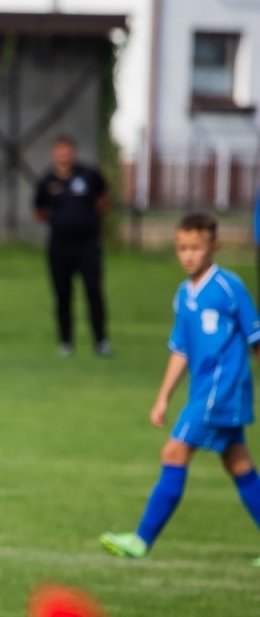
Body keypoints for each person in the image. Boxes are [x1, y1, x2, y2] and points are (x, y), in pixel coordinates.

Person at [101, 213, 260, 563]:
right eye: (182, 248)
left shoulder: (228, 287)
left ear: (213, 247)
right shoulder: (183, 295)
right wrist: (162, 398)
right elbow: (181, 350)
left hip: (221, 390)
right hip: (203, 389)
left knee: (173, 453)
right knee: (238, 464)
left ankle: (141, 541)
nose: (188, 255)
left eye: (196, 248)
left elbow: (256, 338)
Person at [33, 134, 111, 358]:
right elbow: (38, 210)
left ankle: (101, 342)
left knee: (93, 291)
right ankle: (66, 342)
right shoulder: (47, 181)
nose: (64, 155)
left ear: (73, 152)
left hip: (87, 244)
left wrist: (89, 218)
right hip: (60, 246)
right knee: (63, 295)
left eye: (67, 150)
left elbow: (105, 198)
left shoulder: (88, 175)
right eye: (60, 151)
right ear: (54, 153)